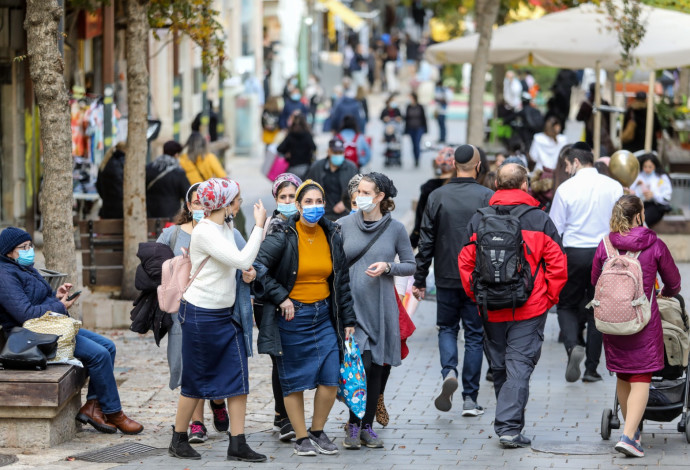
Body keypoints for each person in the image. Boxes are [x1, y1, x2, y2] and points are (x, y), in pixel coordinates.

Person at [458, 163, 568, 448]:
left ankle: (508, 421)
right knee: (519, 365)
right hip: (528, 306)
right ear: (524, 185)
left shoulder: (479, 219)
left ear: (496, 184)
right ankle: (508, 428)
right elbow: (558, 264)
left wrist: (477, 295)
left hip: (490, 306)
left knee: (500, 366)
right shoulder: (539, 219)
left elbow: (465, 262)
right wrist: (547, 299)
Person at [0, 227, 143, 435]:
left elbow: (37, 299)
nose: (29, 250)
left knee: (108, 346)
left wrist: (57, 297)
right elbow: (25, 314)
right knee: (99, 355)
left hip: (48, 326)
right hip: (29, 337)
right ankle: (115, 413)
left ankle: (93, 407)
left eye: (30, 246)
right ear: (8, 252)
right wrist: (60, 307)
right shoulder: (4, 275)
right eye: (23, 247)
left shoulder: (24, 268)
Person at [253, 180, 357, 457]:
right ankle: (301, 437)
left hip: (324, 315)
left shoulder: (332, 233)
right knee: (294, 380)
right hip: (292, 316)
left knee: (330, 378)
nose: (314, 207)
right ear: (297, 206)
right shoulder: (283, 234)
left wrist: (348, 320)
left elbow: (341, 281)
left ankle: (318, 430)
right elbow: (258, 268)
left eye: (318, 202)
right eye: (307, 202)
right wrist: (281, 297)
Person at [168, 178, 267, 462]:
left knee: (238, 377)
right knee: (196, 380)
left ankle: (238, 442)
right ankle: (178, 438)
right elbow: (241, 258)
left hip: (225, 314)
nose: (241, 202)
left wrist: (247, 271)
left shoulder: (225, 226)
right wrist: (259, 225)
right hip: (200, 315)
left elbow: (238, 263)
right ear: (225, 202)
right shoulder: (206, 231)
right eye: (237, 198)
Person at [592, 195, 681, 457]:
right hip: (643, 321)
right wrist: (665, 292)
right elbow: (674, 282)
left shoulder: (606, 244)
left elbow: (595, 279)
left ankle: (633, 432)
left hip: (612, 321)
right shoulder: (654, 244)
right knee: (642, 375)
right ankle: (629, 436)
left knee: (623, 372)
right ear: (640, 215)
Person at [155, 183, 243, 444]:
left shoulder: (226, 230)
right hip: (185, 309)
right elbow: (153, 260)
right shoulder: (173, 234)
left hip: (218, 309)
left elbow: (244, 259)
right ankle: (196, 424)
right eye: (195, 203)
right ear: (188, 205)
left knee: (212, 368)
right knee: (189, 371)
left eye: (204, 202)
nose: (200, 207)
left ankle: (217, 402)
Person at [412, 145, 493, 416]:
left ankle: (449, 371)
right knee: (474, 335)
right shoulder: (487, 197)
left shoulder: (437, 196)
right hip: (477, 279)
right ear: (478, 166)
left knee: (446, 328)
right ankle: (470, 398)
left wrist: (420, 278)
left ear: (454, 165)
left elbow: (426, 241)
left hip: (446, 276)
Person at [338, 173, 415, 449]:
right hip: (351, 310)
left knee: (376, 371)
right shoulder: (342, 225)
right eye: (358, 191)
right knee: (361, 365)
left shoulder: (394, 229)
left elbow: (410, 264)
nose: (360, 196)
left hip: (381, 309)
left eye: (367, 192)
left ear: (381, 196)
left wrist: (388, 267)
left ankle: (367, 426)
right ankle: (353, 424)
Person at [550, 142, 624, 384]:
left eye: (568, 165)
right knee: (597, 309)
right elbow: (622, 224)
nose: (567, 169)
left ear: (576, 162)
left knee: (566, 305)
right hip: (604, 253)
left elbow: (555, 229)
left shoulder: (566, 189)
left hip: (573, 252)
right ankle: (592, 369)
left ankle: (573, 347)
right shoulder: (613, 187)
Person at [254, 173, 302, 442]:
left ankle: (282, 414)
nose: (287, 201)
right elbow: (259, 269)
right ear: (275, 198)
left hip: (297, 304)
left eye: (292, 196)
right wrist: (281, 296)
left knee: (291, 359)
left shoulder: (305, 223)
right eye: (282, 197)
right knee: (280, 359)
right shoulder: (271, 227)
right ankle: (284, 418)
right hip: (271, 305)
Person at [410, 147, 454, 249]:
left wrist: (414, 237)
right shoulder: (458, 186)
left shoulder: (429, 187)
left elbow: (420, 215)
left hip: (430, 236)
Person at [305, 139, 358, 221]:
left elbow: (358, 189)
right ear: (328, 152)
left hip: (345, 214)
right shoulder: (317, 167)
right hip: (322, 213)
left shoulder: (351, 168)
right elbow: (307, 187)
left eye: (340, 153)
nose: (338, 155)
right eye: (335, 153)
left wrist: (346, 203)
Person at [529, 116, 568, 207]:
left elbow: (533, 156)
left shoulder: (538, 138)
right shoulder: (563, 140)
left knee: (537, 202)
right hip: (556, 175)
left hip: (539, 175)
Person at [145, 140, 190, 219]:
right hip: (171, 216)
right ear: (176, 155)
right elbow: (187, 194)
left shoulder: (149, 168)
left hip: (150, 215)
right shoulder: (178, 173)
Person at [631, 153, 672, 228]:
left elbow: (666, 197)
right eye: (645, 166)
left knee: (641, 220)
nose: (647, 169)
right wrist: (636, 186)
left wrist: (654, 195)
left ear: (655, 166)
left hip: (656, 206)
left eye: (650, 167)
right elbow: (631, 191)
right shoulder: (638, 175)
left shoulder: (662, 177)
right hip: (640, 205)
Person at [576, 83, 615, 156]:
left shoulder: (586, 104)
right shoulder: (605, 104)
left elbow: (578, 118)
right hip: (604, 136)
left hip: (590, 136)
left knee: (591, 155)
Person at [276, 113, 316, 181]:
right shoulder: (308, 135)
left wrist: (287, 153)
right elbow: (314, 147)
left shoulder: (290, 135)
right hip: (306, 167)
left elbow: (280, 149)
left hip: (292, 168)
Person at [96, 141, 126, 219]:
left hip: (106, 211)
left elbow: (98, 185)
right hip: (121, 212)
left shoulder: (105, 163)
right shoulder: (124, 163)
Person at [404, 92, 428, 168]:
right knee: (413, 144)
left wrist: (425, 129)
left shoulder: (420, 107)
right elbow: (406, 119)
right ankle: (415, 158)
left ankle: (417, 158)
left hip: (419, 127)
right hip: (411, 128)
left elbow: (424, 118)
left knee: (417, 143)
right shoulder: (408, 107)